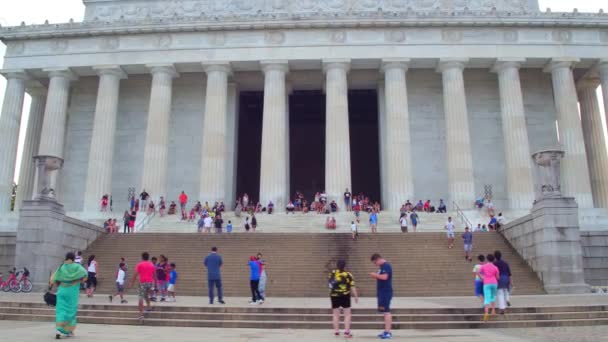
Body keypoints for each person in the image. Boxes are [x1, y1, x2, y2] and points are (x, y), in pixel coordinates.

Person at [50, 252, 88, 339]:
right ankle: (69, 331)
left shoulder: (61, 267)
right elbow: (85, 274)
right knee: (71, 311)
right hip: (72, 292)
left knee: (61, 310)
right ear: (73, 258)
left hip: (62, 291)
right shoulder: (77, 266)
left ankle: (58, 330)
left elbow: (53, 279)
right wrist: (80, 280)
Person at [329, 259, 358, 338]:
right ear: (345, 266)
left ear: (337, 265)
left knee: (335, 314)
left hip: (334, 295)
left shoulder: (332, 273)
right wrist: (355, 296)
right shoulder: (348, 274)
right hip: (345, 296)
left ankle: (336, 332)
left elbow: (330, 285)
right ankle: (346, 332)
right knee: (347, 315)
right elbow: (352, 286)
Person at [369, 253, 393, 339]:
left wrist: (375, 275)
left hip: (386, 292)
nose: (375, 265)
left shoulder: (386, 266)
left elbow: (385, 277)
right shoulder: (382, 267)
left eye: (375, 263)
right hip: (382, 292)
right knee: (384, 311)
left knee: (386, 311)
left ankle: (388, 332)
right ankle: (386, 330)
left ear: (377, 260)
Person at [129, 252, 156, 320]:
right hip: (150, 282)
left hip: (142, 283)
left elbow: (135, 274)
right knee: (146, 295)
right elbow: (155, 275)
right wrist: (155, 284)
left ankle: (141, 314)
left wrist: (131, 282)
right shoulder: (152, 265)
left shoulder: (140, 265)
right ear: (148, 257)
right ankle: (149, 306)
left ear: (142, 257)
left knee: (141, 297)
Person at [479, 254, 499, 321]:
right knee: (493, 297)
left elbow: (478, 272)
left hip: (486, 283)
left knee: (487, 298)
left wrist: (482, 278)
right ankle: (493, 311)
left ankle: (487, 312)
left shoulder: (484, 266)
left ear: (487, 259)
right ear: (493, 260)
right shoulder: (495, 267)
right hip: (494, 283)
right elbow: (497, 277)